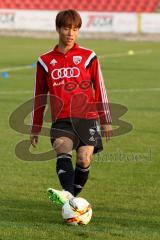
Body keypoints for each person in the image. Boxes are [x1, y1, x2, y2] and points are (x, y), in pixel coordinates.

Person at [30, 9, 112, 206]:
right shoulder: (45, 61)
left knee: (84, 159)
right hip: (61, 119)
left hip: (87, 116)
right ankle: (72, 202)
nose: (70, 33)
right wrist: (35, 127)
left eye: (75, 29)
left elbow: (99, 87)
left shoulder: (88, 56)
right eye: (66, 28)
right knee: (63, 148)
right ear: (58, 29)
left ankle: (70, 199)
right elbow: (39, 96)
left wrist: (105, 119)